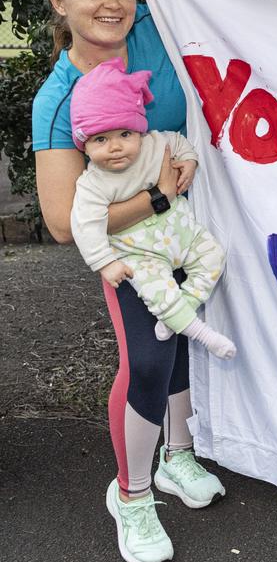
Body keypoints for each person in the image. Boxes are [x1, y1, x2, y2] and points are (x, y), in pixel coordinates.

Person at [32, 0, 225, 562]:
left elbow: (208, 21)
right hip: (124, 248)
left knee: (178, 344)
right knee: (146, 357)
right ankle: (132, 496)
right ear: (59, 1)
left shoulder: (150, 28)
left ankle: (177, 457)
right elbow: (64, 223)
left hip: (181, 232)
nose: (112, 4)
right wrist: (159, 199)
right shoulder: (57, 100)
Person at [69, 59, 236, 360]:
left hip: (183, 233)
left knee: (214, 256)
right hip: (139, 252)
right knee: (157, 291)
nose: (116, 147)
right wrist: (105, 263)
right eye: (100, 139)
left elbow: (178, 141)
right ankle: (202, 334)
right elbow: (85, 224)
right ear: (84, 144)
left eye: (124, 134)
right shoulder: (93, 183)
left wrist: (190, 161)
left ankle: (179, 312)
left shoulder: (155, 145)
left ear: (139, 131)